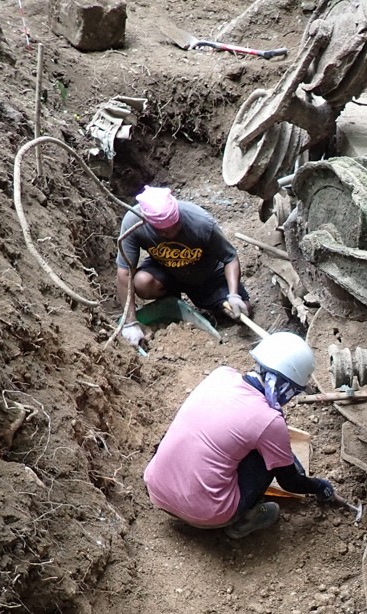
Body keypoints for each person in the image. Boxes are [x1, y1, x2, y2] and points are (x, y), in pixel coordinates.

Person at [142, 332, 335, 538]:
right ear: (287, 387)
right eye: (294, 391)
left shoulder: (221, 374)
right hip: (207, 513)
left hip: (157, 489)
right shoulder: (269, 421)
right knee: (266, 459)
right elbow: (290, 482)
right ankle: (246, 518)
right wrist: (318, 487)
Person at [116, 186, 250, 349]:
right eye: (163, 232)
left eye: (175, 227)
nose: (171, 234)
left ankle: (213, 306)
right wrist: (130, 323)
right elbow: (124, 273)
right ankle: (171, 300)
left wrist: (234, 295)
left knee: (241, 312)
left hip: (205, 275)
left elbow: (230, 258)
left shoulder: (201, 222)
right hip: (167, 273)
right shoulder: (134, 223)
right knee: (142, 282)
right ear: (147, 222)